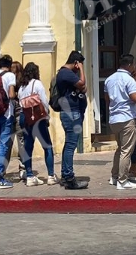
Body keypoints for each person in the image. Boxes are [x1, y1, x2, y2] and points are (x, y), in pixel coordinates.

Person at [105, 54, 136, 189]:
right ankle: (122, 181)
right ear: (130, 65)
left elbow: (107, 99)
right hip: (126, 118)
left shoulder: (109, 79)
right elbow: (135, 97)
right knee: (126, 151)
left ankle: (114, 176)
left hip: (114, 119)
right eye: (134, 65)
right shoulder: (129, 80)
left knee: (120, 149)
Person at [17, 62, 56, 186]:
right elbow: (44, 102)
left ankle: (29, 176)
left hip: (25, 118)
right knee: (47, 146)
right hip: (37, 118)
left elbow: (20, 103)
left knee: (28, 148)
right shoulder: (37, 84)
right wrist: (46, 116)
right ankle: (50, 176)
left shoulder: (21, 87)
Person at [54, 50, 88, 190]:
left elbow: (83, 88)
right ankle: (69, 178)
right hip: (71, 113)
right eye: (79, 64)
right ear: (75, 63)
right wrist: (81, 69)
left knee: (68, 145)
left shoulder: (65, 74)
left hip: (71, 112)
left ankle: (65, 174)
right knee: (70, 146)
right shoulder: (66, 73)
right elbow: (82, 84)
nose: (79, 68)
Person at [0, 55, 18, 189]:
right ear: (10, 65)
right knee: (3, 144)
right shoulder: (10, 75)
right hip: (7, 113)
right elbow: (11, 95)